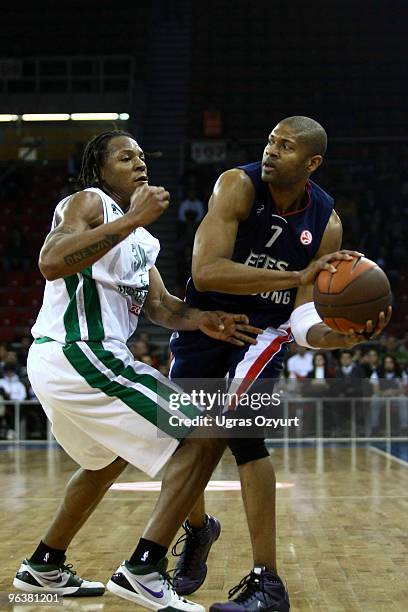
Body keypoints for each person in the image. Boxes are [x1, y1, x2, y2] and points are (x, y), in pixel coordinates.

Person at [13, 130, 263, 611]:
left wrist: (203, 320)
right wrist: (130, 218)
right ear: (100, 170)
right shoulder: (87, 202)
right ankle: (144, 569)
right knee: (203, 430)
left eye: (143, 156)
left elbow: (162, 307)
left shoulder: (143, 241)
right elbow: (50, 261)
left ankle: (44, 565)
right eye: (126, 157)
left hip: (69, 362)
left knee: (103, 463)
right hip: (80, 351)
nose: (139, 162)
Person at [169, 116, 391, 611]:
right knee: (181, 439)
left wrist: (343, 336)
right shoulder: (236, 185)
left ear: (311, 163)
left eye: (285, 146)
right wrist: (297, 275)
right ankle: (199, 530)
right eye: (269, 140)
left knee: (247, 440)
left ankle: (267, 582)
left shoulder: (326, 222)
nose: (270, 150)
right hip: (206, 322)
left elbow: (304, 320)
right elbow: (204, 271)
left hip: (263, 333)